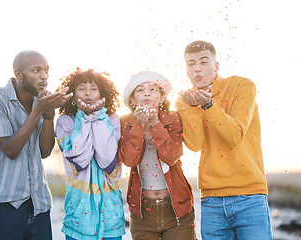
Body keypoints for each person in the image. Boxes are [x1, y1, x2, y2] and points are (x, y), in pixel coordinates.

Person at [176, 40, 272, 239]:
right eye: (191, 64)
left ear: (216, 66)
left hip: (250, 196)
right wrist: (193, 108)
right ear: (186, 70)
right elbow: (194, 145)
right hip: (212, 201)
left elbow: (235, 135)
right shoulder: (185, 100)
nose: (197, 69)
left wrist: (209, 106)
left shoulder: (241, 86)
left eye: (203, 62)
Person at [0, 50, 73, 240]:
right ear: (19, 74)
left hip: (39, 204)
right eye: (37, 70)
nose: (44, 76)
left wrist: (48, 114)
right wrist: (38, 110)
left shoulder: (40, 102)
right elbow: (10, 149)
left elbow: (45, 151)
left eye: (46, 71)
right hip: (4, 204)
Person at [118, 71, 196, 240]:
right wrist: (139, 125)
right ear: (132, 100)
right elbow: (129, 159)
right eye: (140, 90)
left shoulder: (173, 118)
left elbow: (171, 156)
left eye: (153, 89)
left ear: (161, 98)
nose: (147, 93)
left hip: (176, 208)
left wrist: (155, 123)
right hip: (142, 211)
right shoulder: (125, 122)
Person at [55, 68, 126, 240]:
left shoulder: (113, 119)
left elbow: (107, 160)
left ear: (103, 93)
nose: (88, 93)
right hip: (79, 214)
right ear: (72, 94)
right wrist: (84, 118)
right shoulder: (65, 122)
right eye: (81, 89)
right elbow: (80, 159)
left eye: (93, 89)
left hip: (110, 213)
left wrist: (99, 117)